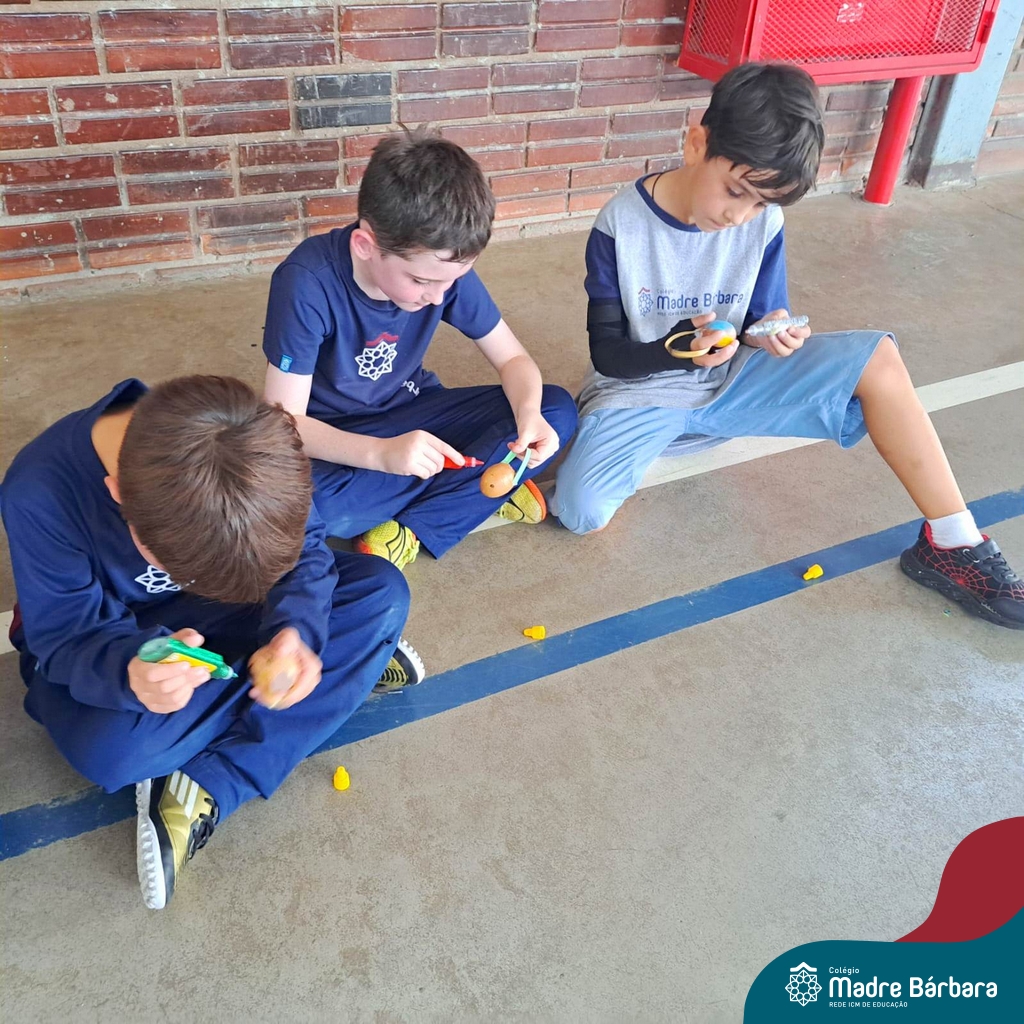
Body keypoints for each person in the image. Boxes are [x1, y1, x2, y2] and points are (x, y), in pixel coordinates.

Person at [551, 62, 1023, 629]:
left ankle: (954, 541)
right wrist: (675, 351)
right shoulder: (620, 224)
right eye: (735, 192)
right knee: (579, 511)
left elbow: (759, 317)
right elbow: (608, 355)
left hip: (732, 377)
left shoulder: (763, 219)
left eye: (759, 203)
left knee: (878, 360)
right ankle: (669, 433)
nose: (740, 216)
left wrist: (773, 331)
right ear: (697, 144)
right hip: (642, 388)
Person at [1, 376, 423, 910]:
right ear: (118, 495)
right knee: (111, 753)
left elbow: (306, 551)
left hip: (223, 615)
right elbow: (66, 638)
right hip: (107, 640)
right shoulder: (39, 491)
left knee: (381, 593)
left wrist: (294, 631)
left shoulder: (252, 446)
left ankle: (214, 780)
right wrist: (129, 674)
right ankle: (346, 669)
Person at [262, 128, 578, 570]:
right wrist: (382, 455)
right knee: (291, 510)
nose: (438, 296)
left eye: (453, 280)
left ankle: (418, 521)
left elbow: (513, 359)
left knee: (554, 409)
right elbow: (284, 424)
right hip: (335, 437)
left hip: (415, 411)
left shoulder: (442, 270)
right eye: (421, 281)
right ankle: (480, 486)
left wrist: (528, 416)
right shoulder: (307, 282)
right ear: (365, 246)